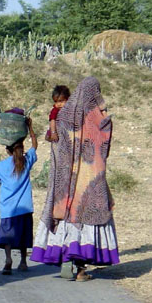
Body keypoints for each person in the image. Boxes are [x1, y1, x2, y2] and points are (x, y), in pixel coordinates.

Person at [30, 76, 119, 281]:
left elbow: (54, 145)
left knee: (66, 220)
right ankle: (80, 269)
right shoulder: (94, 120)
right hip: (87, 185)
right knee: (86, 219)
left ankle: (66, 261)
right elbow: (102, 147)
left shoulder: (61, 118)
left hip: (64, 187)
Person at [0, 114, 38, 275]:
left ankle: (8, 259)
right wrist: (30, 127)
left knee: (8, 237)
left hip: (8, 209)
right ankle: (23, 261)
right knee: (23, 236)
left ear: (7, 149)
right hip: (24, 208)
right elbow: (35, 146)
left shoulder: (1, 166)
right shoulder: (26, 161)